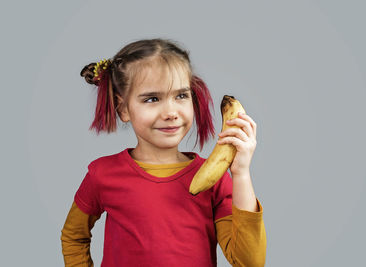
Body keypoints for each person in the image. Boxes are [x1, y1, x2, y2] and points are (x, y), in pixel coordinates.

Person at [60, 38, 266, 267]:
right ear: (123, 109)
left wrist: (241, 174)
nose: (171, 112)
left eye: (181, 95)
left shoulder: (214, 181)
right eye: (152, 99)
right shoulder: (102, 174)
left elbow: (249, 263)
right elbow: (74, 237)